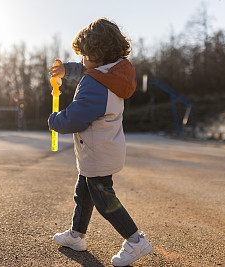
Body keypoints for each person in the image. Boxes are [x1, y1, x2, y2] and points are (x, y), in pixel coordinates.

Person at [48, 18, 152, 266]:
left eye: (84, 55)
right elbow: (86, 70)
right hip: (103, 148)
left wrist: (54, 120)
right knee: (83, 193)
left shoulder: (96, 85)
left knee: (104, 199)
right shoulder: (114, 73)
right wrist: (68, 70)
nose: (82, 61)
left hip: (97, 151)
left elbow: (75, 118)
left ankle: (135, 241)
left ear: (97, 54)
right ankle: (76, 235)